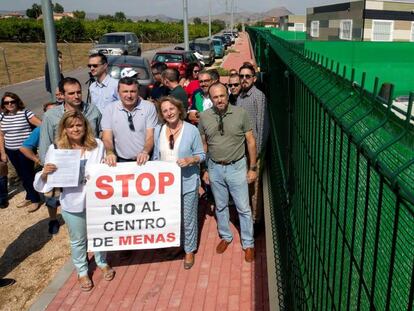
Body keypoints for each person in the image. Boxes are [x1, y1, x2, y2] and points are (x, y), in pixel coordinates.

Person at [34, 111, 115, 292]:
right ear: (64, 129)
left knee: (100, 234)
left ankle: (102, 261)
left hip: (97, 201)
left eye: (79, 125)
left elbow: (106, 169)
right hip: (72, 202)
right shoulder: (56, 149)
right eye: (71, 126)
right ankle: (82, 270)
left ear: (85, 126)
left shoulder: (97, 145)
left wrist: (110, 158)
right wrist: (45, 172)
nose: (76, 129)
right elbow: (43, 182)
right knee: (78, 240)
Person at [198, 82, 257, 263]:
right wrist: (205, 168)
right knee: (221, 205)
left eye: (222, 96)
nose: (219, 100)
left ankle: (248, 243)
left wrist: (252, 168)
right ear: (211, 98)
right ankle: (226, 236)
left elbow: (251, 141)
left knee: (243, 208)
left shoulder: (240, 114)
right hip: (215, 167)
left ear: (227, 94)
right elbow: (204, 143)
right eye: (215, 97)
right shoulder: (204, 117)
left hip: (237, 166)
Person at [39, 77, 102, 230]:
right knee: (59, 200)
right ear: (62, 95)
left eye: (79, 92)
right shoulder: (51, 116)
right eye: (71, 93)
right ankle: (54, 219)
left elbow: (99, 135)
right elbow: (45, 143)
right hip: (62, 168)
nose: (76, 96)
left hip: (88, 164)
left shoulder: (93, 110)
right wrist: (48, 169)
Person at [152, 96, 205, 269]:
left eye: (171, 109)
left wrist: (191, 160)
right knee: (173, 217)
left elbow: (202, 155)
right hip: (166, 185)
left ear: (179, 109)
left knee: (188, 217)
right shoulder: (158, 130)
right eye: (165, 110)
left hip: (187, 182)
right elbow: (155, 156)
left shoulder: (191, 130)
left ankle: (189, 250)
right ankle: (178, 244)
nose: (169, 113)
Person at [236, 63, 269, 225]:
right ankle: (247, 216)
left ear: (254, 79)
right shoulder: (240, 97)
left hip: (254, 152)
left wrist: (257, 155)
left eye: (247, 76)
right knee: (245, 186)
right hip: (241, 151)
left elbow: (262, 126)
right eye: (241, 76)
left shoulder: (258, 97)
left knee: (254, 187)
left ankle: (256, 221)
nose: (244, 79)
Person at [20, 102, 59, 233]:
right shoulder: (40, 129)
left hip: (69, 167)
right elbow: (24, 147)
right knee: (51, 197)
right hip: (51, 170)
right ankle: (53, 220)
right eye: (49, 112)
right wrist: (38, 160)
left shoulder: (68, 126)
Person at [102, 77, 158, 166]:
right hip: (121, 161)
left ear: (138, 92)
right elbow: (107, 138)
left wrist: (145, 152)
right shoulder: (110, 109)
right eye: (125, 91)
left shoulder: (149, 107)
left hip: (145, 159)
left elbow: (150, 136)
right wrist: (109, 153)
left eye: (133, 91)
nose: (129, 95)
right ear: (118, 92)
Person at [0, 92, 42, 212]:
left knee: (27, 174)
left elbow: (41, 126)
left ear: (17, 101)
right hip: (10, 150)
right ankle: (29, 196)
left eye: (12, 101)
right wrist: (3, 153)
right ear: (3, 104)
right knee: (21, 174)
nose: (10, 104)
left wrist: (33, 142)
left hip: (25, 151)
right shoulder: (2, 117)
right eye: (6, 102)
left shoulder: (25, 113)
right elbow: (1, 135)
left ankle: (35, 199)